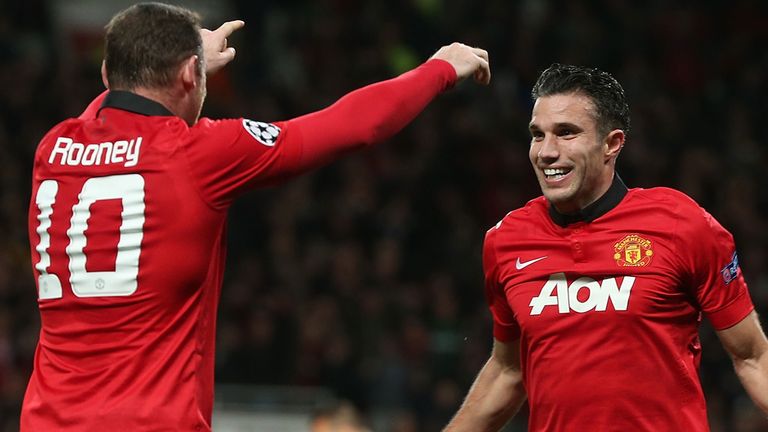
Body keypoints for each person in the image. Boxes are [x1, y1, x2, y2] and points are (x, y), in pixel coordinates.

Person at [23, 3, 490, 431]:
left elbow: (110, 103)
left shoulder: (53, 148)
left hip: (45, 419)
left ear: (106, 74)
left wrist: (183, 62)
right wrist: (441, 69)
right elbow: (354, 124)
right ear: (191, 73)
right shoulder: (201, 152)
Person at [444, 63, 768, 431]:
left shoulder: (681, 224)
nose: (546, 152)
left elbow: (753, 357)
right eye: (538, 134)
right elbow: (508, 369)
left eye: (566, 133)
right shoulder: (505, 240)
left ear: (611, 144)